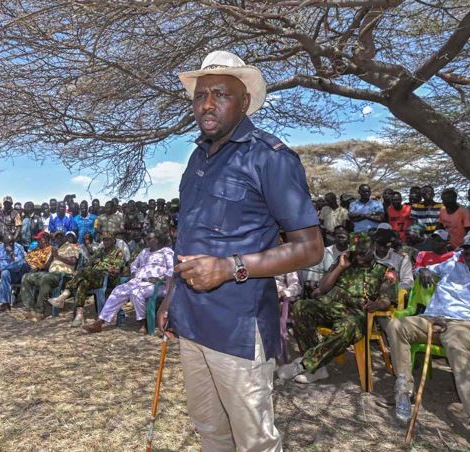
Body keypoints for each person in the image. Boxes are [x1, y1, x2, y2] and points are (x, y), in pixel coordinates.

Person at [156, 50, 323, 451]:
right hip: (192, 321)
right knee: (211, 432)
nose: (207, 105)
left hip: (238, 328)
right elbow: (189, 241)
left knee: (253, 442)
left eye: (219, 94)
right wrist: (171, 298)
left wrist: (231, 267)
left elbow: (310, 248)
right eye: (200, 96)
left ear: (244, 101)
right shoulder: (197, 158)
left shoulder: (270, 157)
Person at [387, 229, 470, 451]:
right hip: (431, 319)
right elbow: (420, 269)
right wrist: (422, 270)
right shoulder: (452, 264)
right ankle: (404, 390)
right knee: (396, 325)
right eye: (467, 251)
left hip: (464, 326)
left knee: (455, 344)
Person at [280, 233, 396, 383]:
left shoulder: (385, 271)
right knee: (301, 307)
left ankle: (305, 364)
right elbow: (323, 287)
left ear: (373, 248)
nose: (358, 257)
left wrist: (376, 305)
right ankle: (318, 367)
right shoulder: (344, 261)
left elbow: (387, 300)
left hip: (355, 314)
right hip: (329, 306)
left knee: (346, 326)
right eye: (355, 252)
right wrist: (340, 267)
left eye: (362, 253)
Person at [83, 232, 174, 334]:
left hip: (157, 285)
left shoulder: (166, 252)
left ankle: (143, 323)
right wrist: (134, 273)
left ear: (157, 240)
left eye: (149, 238)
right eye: (146, 238)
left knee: (136, 292)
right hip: (138, 281)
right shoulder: (144, 252)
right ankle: (100, 322)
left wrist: (160, 278)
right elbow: (134, 264)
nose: (146, 240)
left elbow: (171, 269)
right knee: (118, 291)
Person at [49, 233, 125, 327]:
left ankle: (64, 296)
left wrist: (100, 264)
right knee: (83, 282)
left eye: (108, 240)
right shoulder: (100, 250)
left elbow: (115, 270)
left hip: (108, 279)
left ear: (113, 240)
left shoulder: (118, 252)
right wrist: (102, 265)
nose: (105, 242)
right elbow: (90, 263)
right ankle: (79, 314)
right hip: (93, 276)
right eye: (104, 240)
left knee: (83, 272)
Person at [20, 230, 79, 319]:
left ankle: (40, 311)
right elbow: (46, 267)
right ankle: (29, 308)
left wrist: (58, 256)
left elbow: (73, 262)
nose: (58, 239)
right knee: (26, 277)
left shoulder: (71, 247)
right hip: (50, 273)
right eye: (56, 237)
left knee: (45, 278)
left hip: (63, 275)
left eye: (60, 236)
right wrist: (52, 255)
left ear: (65, 238)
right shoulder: (53, 249)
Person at [0, 234, 28, 313]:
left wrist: (12, 254)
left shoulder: (18, 248)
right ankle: (1, 301)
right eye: (9, 242)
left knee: (5, 273)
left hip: (17, 274)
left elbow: (18, 265)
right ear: (4, 242)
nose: (11, 244)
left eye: (12, 242)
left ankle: (4, 304)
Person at [300, 226, 349, 295]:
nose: (340, 239)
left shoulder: (353, 253)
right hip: (326, 285)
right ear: (334, 237)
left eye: (343, 237)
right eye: (338, 237)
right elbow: (317, 272)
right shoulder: (325, 252)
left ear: (348, 238)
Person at [374, 226, 414, 291]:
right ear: (375, 243)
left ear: (391, 244)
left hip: (392, 296)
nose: (382, 249)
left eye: (385, 246)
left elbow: (408, 282)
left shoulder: (401, 258)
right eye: (379, 245)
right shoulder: (366, 255)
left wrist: (391, 288)